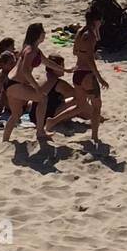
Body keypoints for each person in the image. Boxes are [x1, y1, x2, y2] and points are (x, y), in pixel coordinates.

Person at [47, 10, 108, 149]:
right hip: (87, 74)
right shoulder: (91, 35)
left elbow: (75, 51)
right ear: (96, 21)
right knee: (97, 105)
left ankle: (52, 121)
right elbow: (90, 59)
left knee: (80, 106)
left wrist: (84, 53)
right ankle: (95, 136)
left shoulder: (80, 31)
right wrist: (99, 77)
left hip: (77, 73)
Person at [1, 23, 52, 145]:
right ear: (38, 35)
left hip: (11, 82)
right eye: (43, 31)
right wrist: (36, 87)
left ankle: (5, 140)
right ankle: (40, 131)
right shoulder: (30, 51)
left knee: (16, 114)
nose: (45, 34)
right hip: (15, 84)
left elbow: (47, 62)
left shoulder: (33, 49)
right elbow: (25, 71)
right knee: (43, 98)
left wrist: (65, 70)